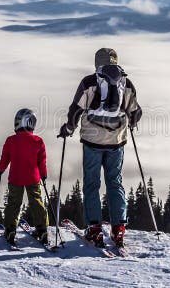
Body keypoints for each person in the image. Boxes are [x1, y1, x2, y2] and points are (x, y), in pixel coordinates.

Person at [58, 48, 141, 248]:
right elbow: (135, 112)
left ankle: (94, 229)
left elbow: (75, 109)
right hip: (117, 141)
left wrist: (69, 128)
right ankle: (119, 228)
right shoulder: (125, 82)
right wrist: (130, 123)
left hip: (92, 142)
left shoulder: (89, 82)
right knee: (115, 182)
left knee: (92, 184)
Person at [0, 108, 49, 247]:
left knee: (13, 203)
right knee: (36, 202)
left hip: (16, 177)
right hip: (33, 177)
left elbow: (5, 159)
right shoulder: (38, 141)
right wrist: (44, 174)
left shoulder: (11, 140)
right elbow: (42, 161)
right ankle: (42, 229)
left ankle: (10, 230)